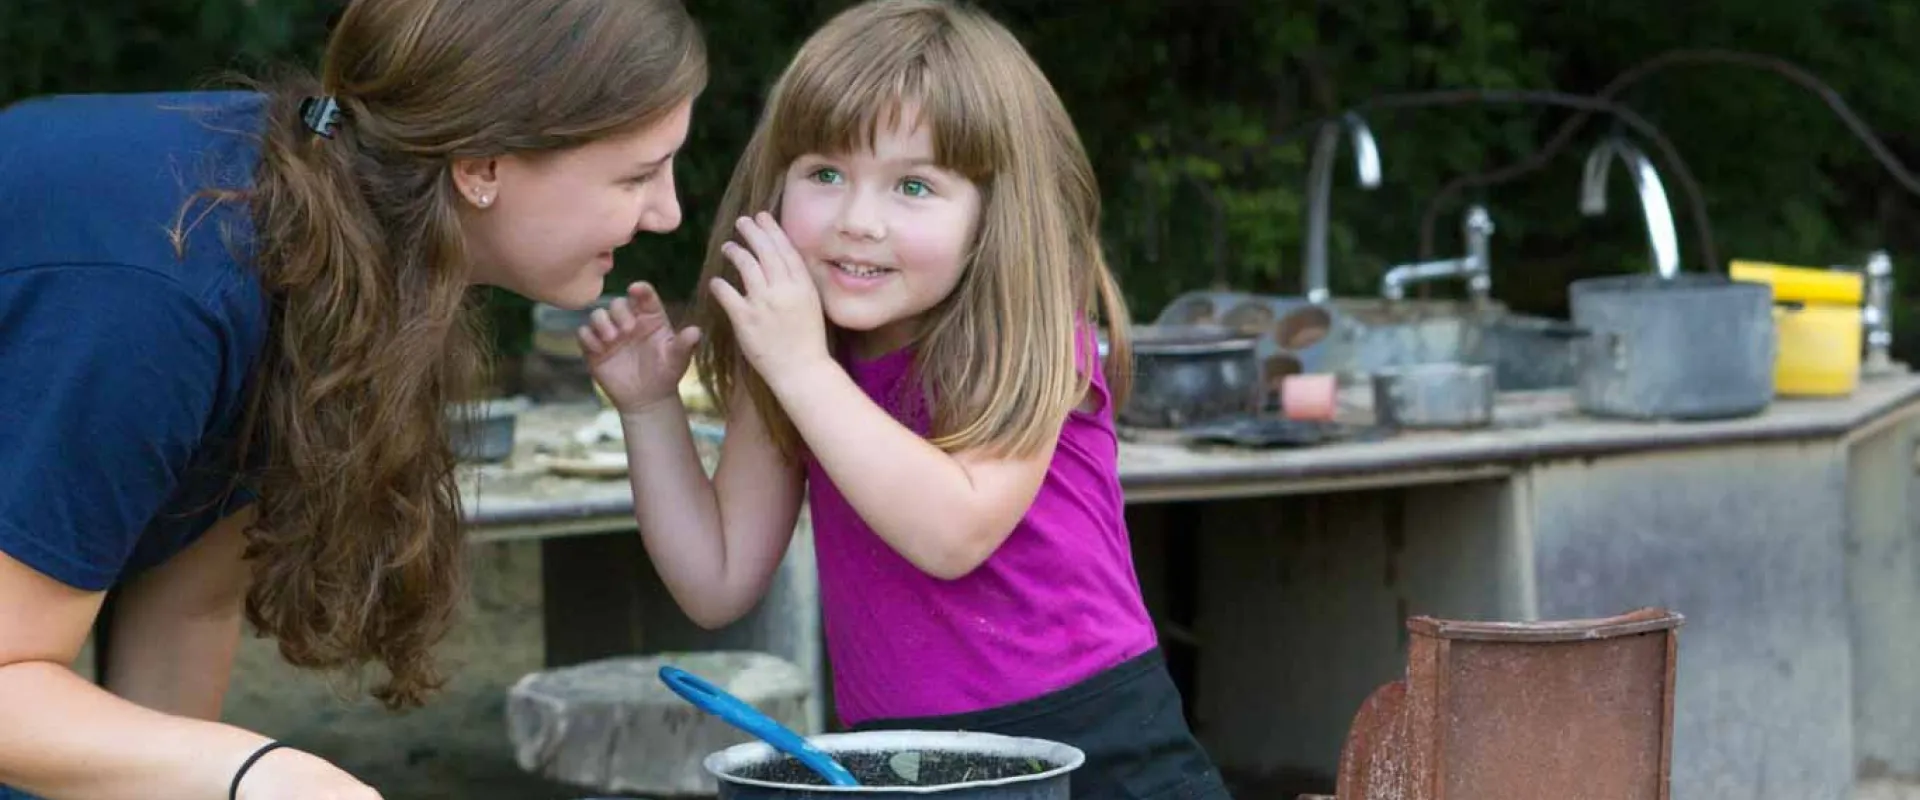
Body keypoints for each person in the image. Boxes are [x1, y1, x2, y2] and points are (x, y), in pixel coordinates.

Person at [0, 0, 704, 797]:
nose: (668, 211)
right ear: (481, 167)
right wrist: (262, 775)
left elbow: (187, 600)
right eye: (638, 175)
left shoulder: (322, 253)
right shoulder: (166, 288)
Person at [579, 0, 1229, 796]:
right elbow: (716, 581)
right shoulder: (794, 360)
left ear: (995, 214)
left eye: (913, 186)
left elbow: (953, 532)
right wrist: (650, 412)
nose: (858, 221)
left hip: (1095, 750)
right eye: (824, 174)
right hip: (896, 760)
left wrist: (802, 370)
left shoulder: (1031, 342)